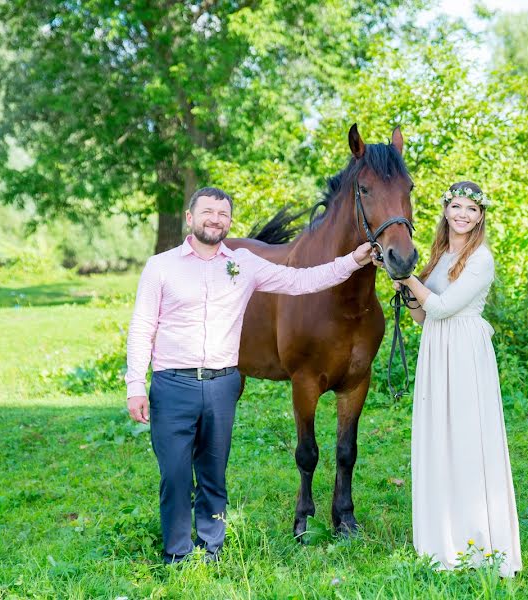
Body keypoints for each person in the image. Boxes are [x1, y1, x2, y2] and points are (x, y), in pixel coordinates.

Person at [125, 186, 373, 564]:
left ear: (229, 222)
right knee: (174, 475)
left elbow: (303, 281)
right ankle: (177, 553)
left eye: (222, 214)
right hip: (173, 382)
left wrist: (352, 261)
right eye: (207, 212)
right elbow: (142, 326)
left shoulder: (244, 264)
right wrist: (134, 385)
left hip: (223, 382)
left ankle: (211, 548)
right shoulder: (161, 267)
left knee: (212, 473)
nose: (215, 219)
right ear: (190, 218)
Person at [379, 181, 522, 576]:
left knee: (466, 437)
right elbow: (423, 316)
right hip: (435, 348)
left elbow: (442, 308)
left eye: (471, 209)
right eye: (456, 206)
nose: (462, 214)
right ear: (445, 211)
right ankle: (441, 538)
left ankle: (476, 540)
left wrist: (409, 280)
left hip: (463, 351)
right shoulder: (441, 255)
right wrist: (404, 286)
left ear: (480, 217)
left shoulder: (481, 259)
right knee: (439, 437)